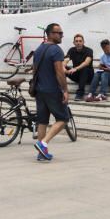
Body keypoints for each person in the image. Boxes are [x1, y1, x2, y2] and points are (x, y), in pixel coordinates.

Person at [33, 23, 70, 161]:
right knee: (63, 119)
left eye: (61, 33)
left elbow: (35, 70)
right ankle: (43, 143)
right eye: (59, 33)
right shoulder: (56, 50)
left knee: (42, 121)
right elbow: (60, 73)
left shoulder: (38, 49)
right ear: (50, 34)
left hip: (39, 90)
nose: (61, 35)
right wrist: (65, 90)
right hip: (52, 90)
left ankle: (41, 153)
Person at [64, 34, 94, 101]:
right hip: (77, 76)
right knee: (62, 68)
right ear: (74, 43)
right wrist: (63, 67)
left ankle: (80, 93)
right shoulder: (71, 50)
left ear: (83, 42)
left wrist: (75, 68)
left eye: (80, 41)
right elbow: (66, 60)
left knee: (84, 68)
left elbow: (86, 62)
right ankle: (62, 91)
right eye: (76, 41)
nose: (78, 43)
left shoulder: (89, 50)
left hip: (88, 76)